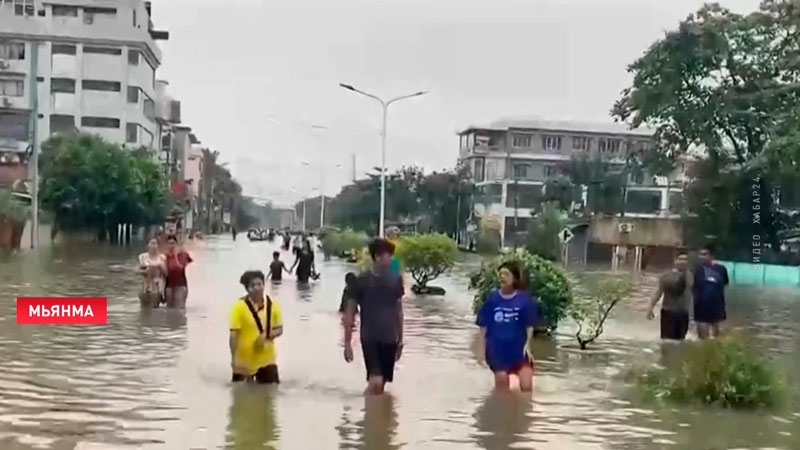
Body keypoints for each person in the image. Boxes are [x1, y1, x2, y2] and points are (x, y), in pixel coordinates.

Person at [343, 238, 404, 395]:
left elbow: (399, 311)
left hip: (390, 338)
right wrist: (348, 342)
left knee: (381, 383)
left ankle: (376, 416)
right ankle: (368, 415)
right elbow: (349, 311)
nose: (390, 259)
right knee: (375, 381)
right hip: (370, 337)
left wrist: (400, 340)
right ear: (377, 257)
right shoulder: (361, 280)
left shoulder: (396, 280)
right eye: (387, 255)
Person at [476, 262, 538, 392]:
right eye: (500, 274)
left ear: (514, 278)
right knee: (502, 392)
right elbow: (482, 325)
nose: (502, 277)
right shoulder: (493, 299)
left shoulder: (524, 300)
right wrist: (481, 350)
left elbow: (529, 325)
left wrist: (528, 345)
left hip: (519, 350)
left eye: (506, 274)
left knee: (526, 388)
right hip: (497, 351)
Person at [229, 270, 283, 384]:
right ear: (247, 289)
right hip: (244, 362)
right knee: (240, 397)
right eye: (252, 285)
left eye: (259, 284)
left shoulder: (273, 305)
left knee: (271, 394)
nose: (257, 288)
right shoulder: (238, 307)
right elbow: (234, 336)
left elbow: (279, 329)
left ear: (264, 285)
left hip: (267, 360)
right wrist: (234, 360)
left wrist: (266, 335)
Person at [647, 251, 691, 340]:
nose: (683, 261)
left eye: (685, 259)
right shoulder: (666, 276)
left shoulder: (691, 276)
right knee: (667, 340)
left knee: (681, 340)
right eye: (681, 259)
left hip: (683, 312)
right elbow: (658, 292)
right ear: (675, 261)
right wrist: (650, 308)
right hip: (668, 312)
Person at [692, 244, 729, 339]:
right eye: (700, 254)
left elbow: (724, 285)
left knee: (716, 336)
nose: (701, 257)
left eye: (704, 254)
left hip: (717, 307)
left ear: (712, 256)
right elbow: (692, 287)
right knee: (703, 337)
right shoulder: (696, 270)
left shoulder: (721, 269)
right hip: (700, 307)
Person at [164, 235, 193, 309]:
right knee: (169, 310)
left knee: (179, 309)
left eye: (173, 243)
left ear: (176, 244)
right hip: (168, 286)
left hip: (180, 285)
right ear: (166, 245)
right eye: (169, 243)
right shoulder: (164, 257)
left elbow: (187, 264)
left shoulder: (182, 255)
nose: (171, 245)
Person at [138, 238, 166, 308]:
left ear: (158, 245)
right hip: (145, 284)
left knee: (155, 309)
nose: (153, 246)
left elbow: (165, 272)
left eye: (155, 243)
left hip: (157, 284)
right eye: (152, 243)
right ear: (148, 245)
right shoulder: (142, 256)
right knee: (144, 310)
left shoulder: (162, 257)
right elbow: (139, 270)